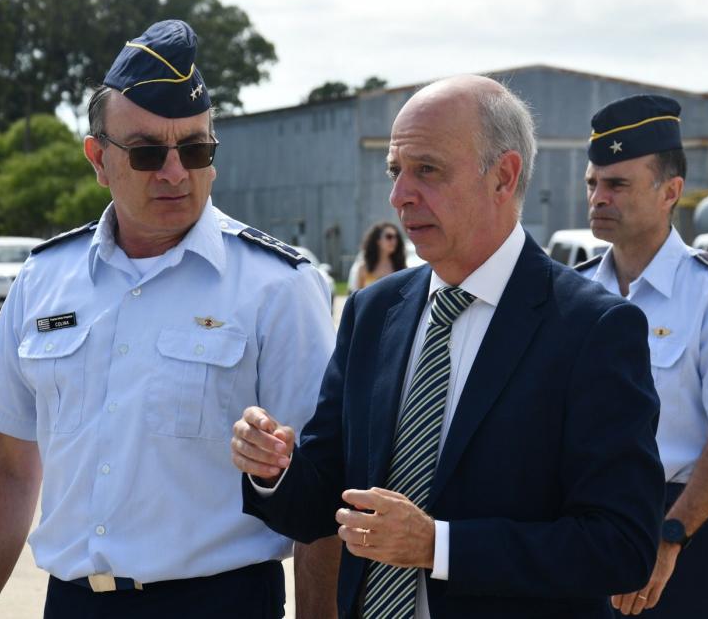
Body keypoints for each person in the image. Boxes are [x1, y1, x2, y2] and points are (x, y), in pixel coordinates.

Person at [232, 74, 665, 619]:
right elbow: (328, 502)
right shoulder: (373, 312)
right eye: (396, 171)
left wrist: (438, 546)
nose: (399, 196)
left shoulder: (592, 329)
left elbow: (620, 547)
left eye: (427, 170)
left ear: (503, 177)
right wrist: (275, 470)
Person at [0, 20, 336, 619]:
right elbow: (12, 466)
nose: (176, 172)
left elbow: (321, 486)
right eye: (150, 152)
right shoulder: (45, 278)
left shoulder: (279, 287)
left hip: (218, 603)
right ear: (98, 158)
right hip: (72, 603)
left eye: (196, 149)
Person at [577, 94, 708, 618]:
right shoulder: (574, 294)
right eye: (592, 183)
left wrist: (669, 539)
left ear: (671, 191)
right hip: (586, 523)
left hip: (684, 529)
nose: (599, 197)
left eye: (617, 184)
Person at [347, 222, 407, 292]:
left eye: (396, 237)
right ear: (378, 241)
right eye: (389, 237)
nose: (394, 241)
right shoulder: (363, 268)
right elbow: (358, 298)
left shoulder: (402, 267)